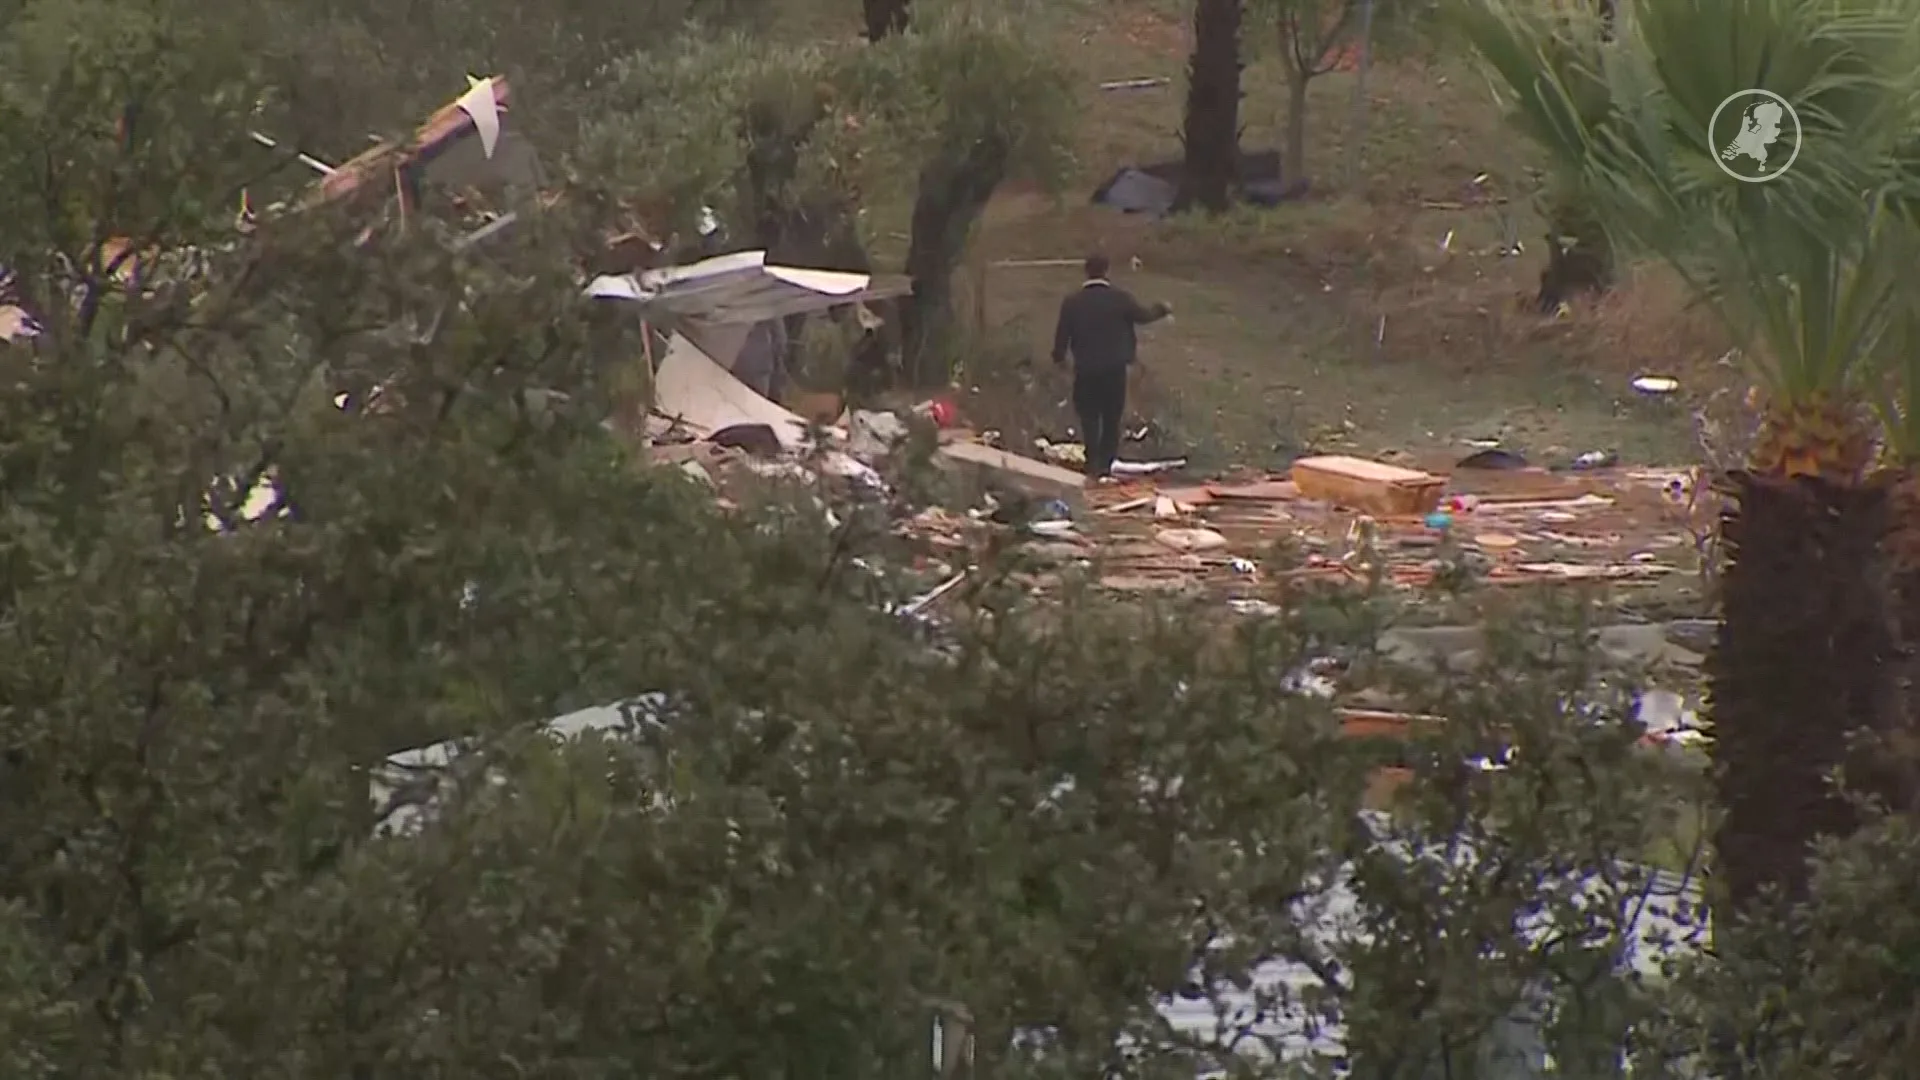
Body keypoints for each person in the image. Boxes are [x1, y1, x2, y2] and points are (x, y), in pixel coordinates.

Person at [1050, 253, 1171, 482]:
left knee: (1089, 416)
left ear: (1086, 272)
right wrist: (1161, 309)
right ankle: (1106, 464)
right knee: (1111, 416)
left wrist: (1060, 360)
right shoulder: (1120, 299)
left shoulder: (1072, 302)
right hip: (1114, 369)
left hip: (1085, 369)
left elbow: (1061, 336)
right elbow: (1143, 316)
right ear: (1106, 271)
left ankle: (1092, 461)